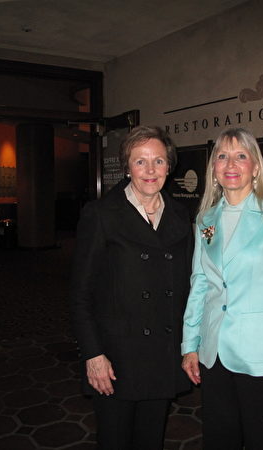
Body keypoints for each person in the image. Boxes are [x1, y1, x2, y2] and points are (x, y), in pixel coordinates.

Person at [181, 128, 263, 450]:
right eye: (222, 156)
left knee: (261, 440)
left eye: (241, 155)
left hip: (260, 353)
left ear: (255, 167)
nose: (230, 164)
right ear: (214, 168)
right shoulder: (205, 219)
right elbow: (200, 283)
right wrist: (190, 344)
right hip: (213, 351)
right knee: (219, 439)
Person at [69, 125, 192, 450]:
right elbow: (80, 294)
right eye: (141, 161)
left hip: (162, 352)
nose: (150, 170)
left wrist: (190, 345)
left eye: (159, 161)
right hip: (116, 356)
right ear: (127, 167)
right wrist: (93, 354)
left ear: (169, 166)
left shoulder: (180, 215)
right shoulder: (101, 214)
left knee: (151, 440)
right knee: (115, 440)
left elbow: (187, 289)